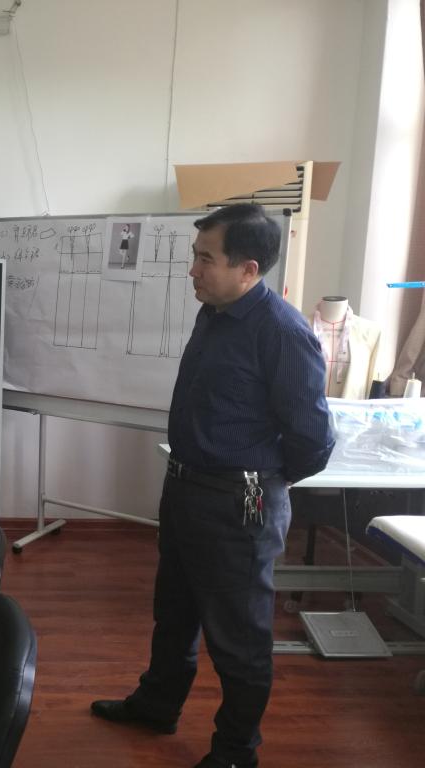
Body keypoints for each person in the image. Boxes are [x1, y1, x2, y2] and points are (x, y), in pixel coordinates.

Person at [90, 204, 334, 768]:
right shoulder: (215, 313)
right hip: (186, 489)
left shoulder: (282, 332)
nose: (192, 269)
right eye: (194, 256)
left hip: (237, 504)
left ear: (248, 269)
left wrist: (261, 479)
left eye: (206, 259)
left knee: (239, 638)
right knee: (173, 613)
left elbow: (314, 440)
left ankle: (235, 751)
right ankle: (158, 705)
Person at [309, 295, 381, 399]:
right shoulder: (298, 327)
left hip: (352, 408)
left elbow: (371, 385)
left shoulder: (371, 331)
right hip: (305, 407)